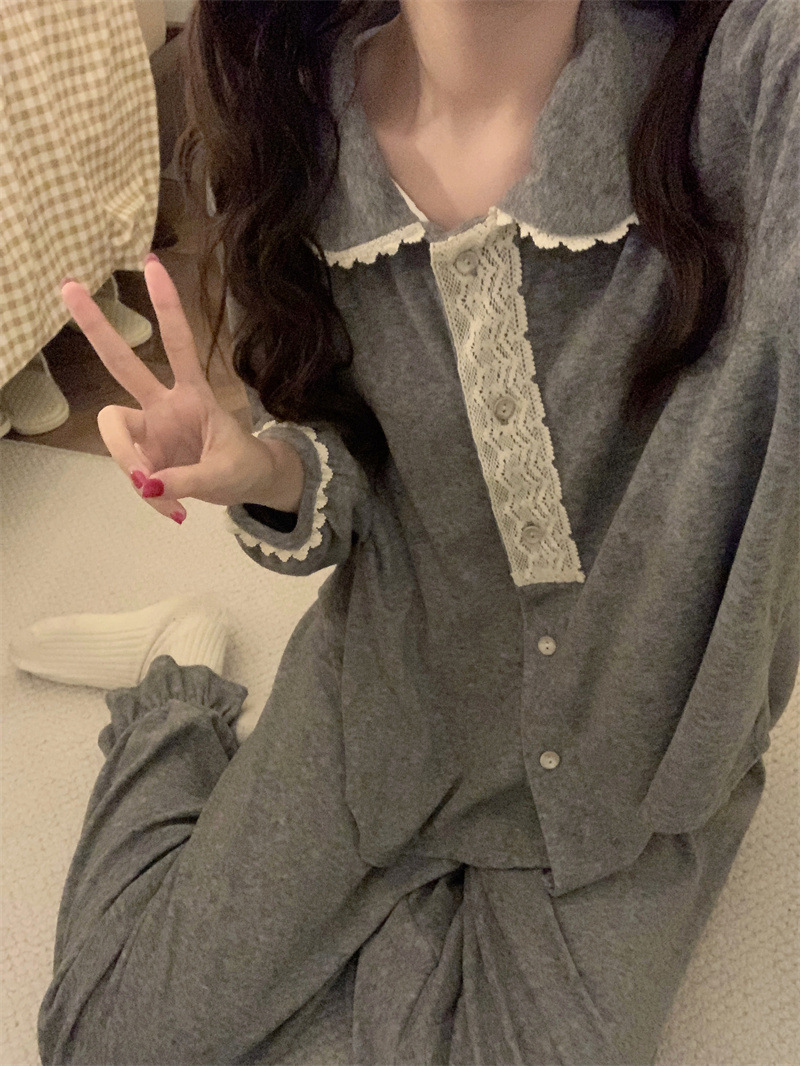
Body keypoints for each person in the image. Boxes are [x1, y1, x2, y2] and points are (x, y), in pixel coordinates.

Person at [15, 0, 798, 1063]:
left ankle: (404, 906)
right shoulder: (300, 134)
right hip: (393, 701)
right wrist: (264, 470)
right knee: (106, 1043)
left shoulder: (735, 92)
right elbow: (351, 475)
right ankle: (175, 697)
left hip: (624, 759)